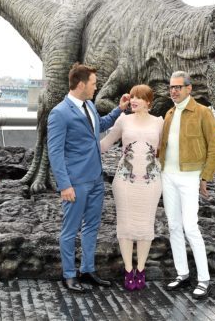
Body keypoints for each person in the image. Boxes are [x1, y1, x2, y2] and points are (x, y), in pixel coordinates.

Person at [47, 62, 130, 293]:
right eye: (93, 83)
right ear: (81, 84)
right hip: (75, 182)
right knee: (70, 230)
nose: (96, 87)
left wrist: (119, 110)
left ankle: (87, 269)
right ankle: (69, 275)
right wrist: (64, 185)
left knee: (92, 226)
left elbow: (99, 126)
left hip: (95, 179)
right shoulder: (59, 113)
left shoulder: (90, 106)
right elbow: (55, 152)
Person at [159, 71, 215, 300]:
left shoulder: (202, 112)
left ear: (189, 89)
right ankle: (182, 273)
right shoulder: (168, 113)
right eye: (171, 87)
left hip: (190, 177)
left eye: (178, 87)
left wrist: (205, 177)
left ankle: (204, 278)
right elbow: (163, 147)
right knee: (174, 226)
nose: (173, 91)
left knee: (190, 227)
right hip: (168, 176)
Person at [100, 84, 164, 291]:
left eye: (139, 97)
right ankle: (128, 270)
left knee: (146, 226)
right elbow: (104, 144)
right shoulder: (123, 120)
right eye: (132, 97)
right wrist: (76, 144)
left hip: (150, 182)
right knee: (125, 226)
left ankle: (141, 269)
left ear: (149, 102)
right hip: (124, 181)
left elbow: (165, 150)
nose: (133, 100)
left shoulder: (159, 122)